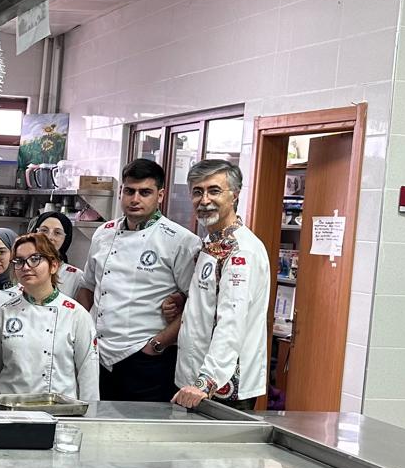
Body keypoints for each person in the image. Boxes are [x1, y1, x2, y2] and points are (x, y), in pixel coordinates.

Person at [78, 158, 200, 403]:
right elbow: (88, 287)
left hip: (145, 358)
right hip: (97, 355)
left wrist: (157, 344)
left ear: (160, 195)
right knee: (96, 421)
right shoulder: (103, 233)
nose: (135, 199)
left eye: (145, 192)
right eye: (129, 191)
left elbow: (195, 306)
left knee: (141, 425)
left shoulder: (181, 240)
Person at [174, 160, 270, 410]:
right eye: (197, 192)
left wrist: (207, 381)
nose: (204, 200)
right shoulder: (212, 241)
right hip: (194, 380)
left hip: (221, 386)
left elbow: (232, 320)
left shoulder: (241, 251)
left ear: (234, 195)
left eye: (214, 191)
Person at [0, 233, 99, 401]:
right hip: (9, 408)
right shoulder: (3, 313)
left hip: (59, 409)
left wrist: (89, 415)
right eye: (19, 261)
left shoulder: (76, 315)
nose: (26, 267)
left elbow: (89, 377)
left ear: (53, 265)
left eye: (35, 259)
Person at [30, 210, 85, 299]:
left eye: (57, 233)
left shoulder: (76, 276)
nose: (49, 237)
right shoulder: (23, 267)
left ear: (66, 239)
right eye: (44, 230)